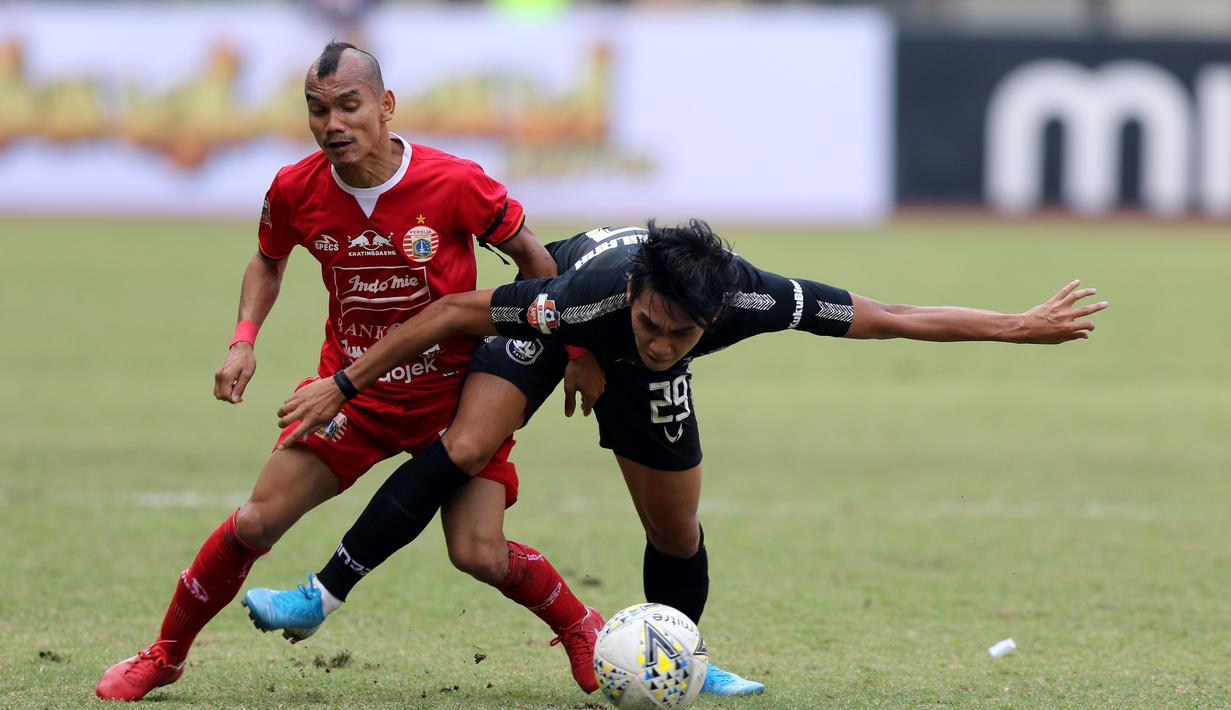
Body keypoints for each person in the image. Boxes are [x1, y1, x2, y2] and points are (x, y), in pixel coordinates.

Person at [245, 220, 1108, 697]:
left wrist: (1017, 326)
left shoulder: (752, 296)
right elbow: (448, 316)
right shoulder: (579, 299)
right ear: (635, 296)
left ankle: (677, 658)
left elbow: (886, 315)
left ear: (713, 317)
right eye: (651, 324)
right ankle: (321, 595)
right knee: (467, 444)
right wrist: (344, 386)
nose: (661, 343)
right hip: (566, 337)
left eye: (680, 334)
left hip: (603, 354)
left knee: (675, 525)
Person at [96, 41, 605, 701]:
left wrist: (573, 353)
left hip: (454, 403)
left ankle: (580, 627)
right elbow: (268, 259)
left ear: (385, 106)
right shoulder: (293, 188)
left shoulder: (454, 182)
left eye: (347, 106)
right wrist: (243, 339)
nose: (331, 124)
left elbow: (538, 268)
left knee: (477, 552)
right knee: (255, 523)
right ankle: (165, 655)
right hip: (350, 401)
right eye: (316, 110)